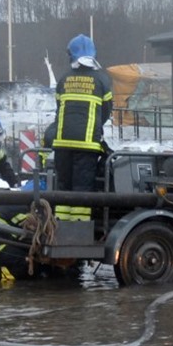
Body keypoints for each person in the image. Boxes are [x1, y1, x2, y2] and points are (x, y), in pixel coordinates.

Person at [49, 34, 113, 221]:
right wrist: (95, 127)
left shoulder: (63, 79)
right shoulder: (102, 80)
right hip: (87, 146)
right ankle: (79, 229)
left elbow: (59, 109)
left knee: (63, 187)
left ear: (72, 55)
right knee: (82, 189)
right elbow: (107, 110)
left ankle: (59, 226)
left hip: (62, 144)